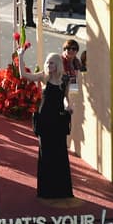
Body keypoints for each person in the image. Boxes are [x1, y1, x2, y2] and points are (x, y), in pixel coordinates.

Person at [27, 54, 74, 199]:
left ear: (58, 64)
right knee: (45, 153)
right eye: (47, 62)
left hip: (58, 120)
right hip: (45, 119)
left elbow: (65, 98)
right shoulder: (43, 77)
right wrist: (21, 56)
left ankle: (61, 191)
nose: (49, 65)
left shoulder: (65, 79)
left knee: (60, 153)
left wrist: (68, 107)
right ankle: (46, 191)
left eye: (52, 63)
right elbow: (24, 75)